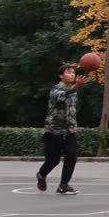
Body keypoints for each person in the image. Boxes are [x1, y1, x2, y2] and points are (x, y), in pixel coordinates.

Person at [36, 62, 81, 194]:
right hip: (54, 130)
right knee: (53, 160)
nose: (72, 74)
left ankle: (63, 185)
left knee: (72, 156)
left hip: (70, 129)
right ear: (61, 76)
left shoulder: (73, 90)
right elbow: (62, 97)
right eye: (68, 72)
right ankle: (41, 174)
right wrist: (76, 87)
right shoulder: (55, 90)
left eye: (73, 72)